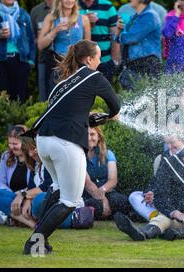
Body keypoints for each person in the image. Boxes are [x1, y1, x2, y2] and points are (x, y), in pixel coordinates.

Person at [23, 39, 121, 255]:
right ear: (89, 59)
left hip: (44, 140)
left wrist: (91, 119)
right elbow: (115, 105)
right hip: (65, 144)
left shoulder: (64, 82)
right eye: (98, 56)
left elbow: (67, 114)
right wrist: (109, 116)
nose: (100, 60)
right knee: (71, 201)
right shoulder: (94, 77)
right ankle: (34, 243)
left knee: (57, 190)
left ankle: (39, 241)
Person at [114, 143, 184, 241]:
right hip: (180, 214)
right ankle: (142, 233)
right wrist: (176, 213)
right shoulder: (169, 165)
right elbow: (160, 196)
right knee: (163, 219)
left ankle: (181, 234)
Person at [38, 0, 91, 95]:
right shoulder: (51, 18)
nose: (70, 0)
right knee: (57, 97)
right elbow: (40, 45)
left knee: (77, 97)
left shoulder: (83, 19)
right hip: (59, 65)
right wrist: (55, 31)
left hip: (78, 65)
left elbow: (88, 47)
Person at [129, 130, 184, 221]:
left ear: (183, 140)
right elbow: (157, 179)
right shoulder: (165, 155)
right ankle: (156, 218)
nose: (169, 146)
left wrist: (159, 195)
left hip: (180, 199)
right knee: (134, 196)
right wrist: (150, 192)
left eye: (172, 143)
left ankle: (162, 220)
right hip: (163, 198)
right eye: (167, 143)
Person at [114, 0, 162, 83]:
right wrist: (119, 30)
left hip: (147, 66)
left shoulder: (150, 16)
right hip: (134, 65)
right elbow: (120, 38)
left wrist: (121, 35)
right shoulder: (136, 17)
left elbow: (131, 38)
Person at [83, 126, 132, 220]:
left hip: (107, 192)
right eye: (86, 135)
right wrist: (102, 199)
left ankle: (108, 214)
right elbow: (87, 183)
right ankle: (107, 213)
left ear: (99, 137)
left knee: (122, 201)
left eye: (92, 134)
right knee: (95, 205)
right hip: (88, 194)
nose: (89, 138)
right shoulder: (79, 155)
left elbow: (113, 180)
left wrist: (103, 191)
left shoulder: (108, 154)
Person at [77, 0, 119, 80]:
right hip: (78, 63)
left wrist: (114, 59)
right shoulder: (72, 5)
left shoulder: (108, 6)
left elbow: (115, 35)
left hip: (103, 61)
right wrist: (85, 23)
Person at [0, 125, 33, 209]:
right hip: (8, 195)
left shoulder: (33, 157)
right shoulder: (6, 156)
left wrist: (20, 194)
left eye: (15, 144)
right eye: (10, 143)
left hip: (25, 196)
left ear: (25, 142)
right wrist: (11, 194)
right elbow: (0, 182)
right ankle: (10, 207)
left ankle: (9, 210)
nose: (11, 147)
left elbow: (36, 185)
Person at [30, 0, 58, 102]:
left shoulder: (65, 8)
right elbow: (33, 38)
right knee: (44, 96)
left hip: (63, 59)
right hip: (43, 59)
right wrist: (45, 37)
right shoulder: (36, 12)